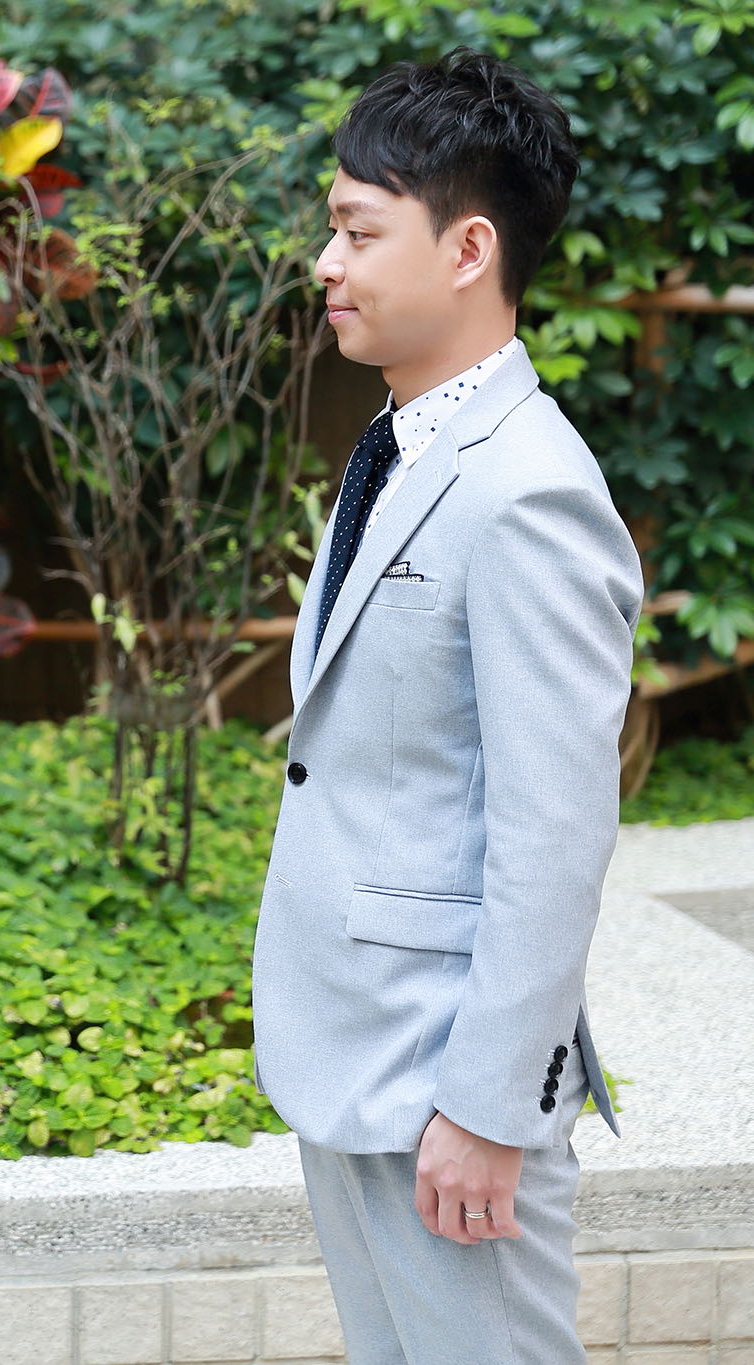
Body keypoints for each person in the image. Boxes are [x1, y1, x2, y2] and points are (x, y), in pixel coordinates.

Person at [251, 48, 643, 1363]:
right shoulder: (401, 444)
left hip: (443, 1082)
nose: (326, 262)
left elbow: (555, 830)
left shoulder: (529, 491)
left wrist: (487, 1108)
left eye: (358, 231)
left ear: (468, 248)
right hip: (355, 1049)